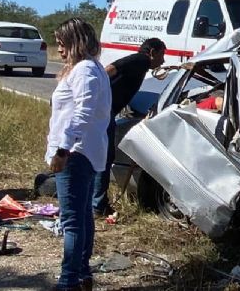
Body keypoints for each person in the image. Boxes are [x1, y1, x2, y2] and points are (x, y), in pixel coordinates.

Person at [45, 18, 112, 291]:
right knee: (82, 217)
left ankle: (68, 281)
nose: (59, 50)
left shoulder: (85, 71)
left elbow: (82, 114)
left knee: (71, 221)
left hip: (76, 153)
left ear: (76, 42)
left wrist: (62, 150)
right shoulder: (88, 68)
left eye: (62, 44)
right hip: (82, 150)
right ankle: (82, 275)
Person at [92, 37, 166, 217]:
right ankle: (98, 205)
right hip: (103, 111)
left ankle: (96, 203)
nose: (162, 61)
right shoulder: (140, 60)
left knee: (100, 156)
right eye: (161, 55)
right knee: (105, 157)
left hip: (104, 110)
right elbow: (110, 69)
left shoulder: (141, 65)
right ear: (152, 52)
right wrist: (96, 92)